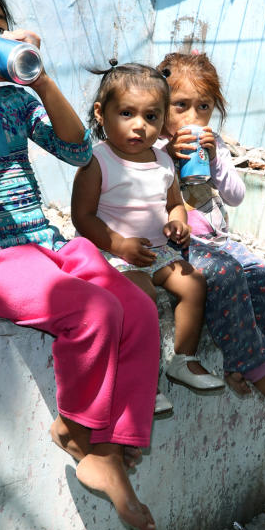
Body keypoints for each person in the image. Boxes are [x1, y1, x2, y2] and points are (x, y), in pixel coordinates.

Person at [0, 0, 158, 530]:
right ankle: (81, 435)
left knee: (139, 310)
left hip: (43, 239)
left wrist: (40, 75)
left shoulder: (13, 98)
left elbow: (80, 150)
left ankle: (116, 441)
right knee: (94, 313)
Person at [155, 52, 265, 405]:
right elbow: (149, 198)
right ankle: (259, 369)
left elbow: (236, 196)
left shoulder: (214, 144)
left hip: (216, 240)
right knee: (227, 274)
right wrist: (170, 157)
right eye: (181, 106)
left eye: (203, 107)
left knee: (263, 274)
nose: (193, 117)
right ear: (160, 106)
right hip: (177, 242)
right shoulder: (153, 148)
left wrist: (216, 158)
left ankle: (241, 363)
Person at [71, 62, 223, 392]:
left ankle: (183, 359)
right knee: (143, 296)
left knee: (194, 283)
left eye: (151, 117)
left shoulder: (163, 160)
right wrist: (118, 244)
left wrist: (178, 223)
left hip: (157, 251)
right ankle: (141, 382)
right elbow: (82, 216)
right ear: (101, 113)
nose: (140, 126)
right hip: (111, 252)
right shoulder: (97, 161)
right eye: (127, 113)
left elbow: (174, 204)